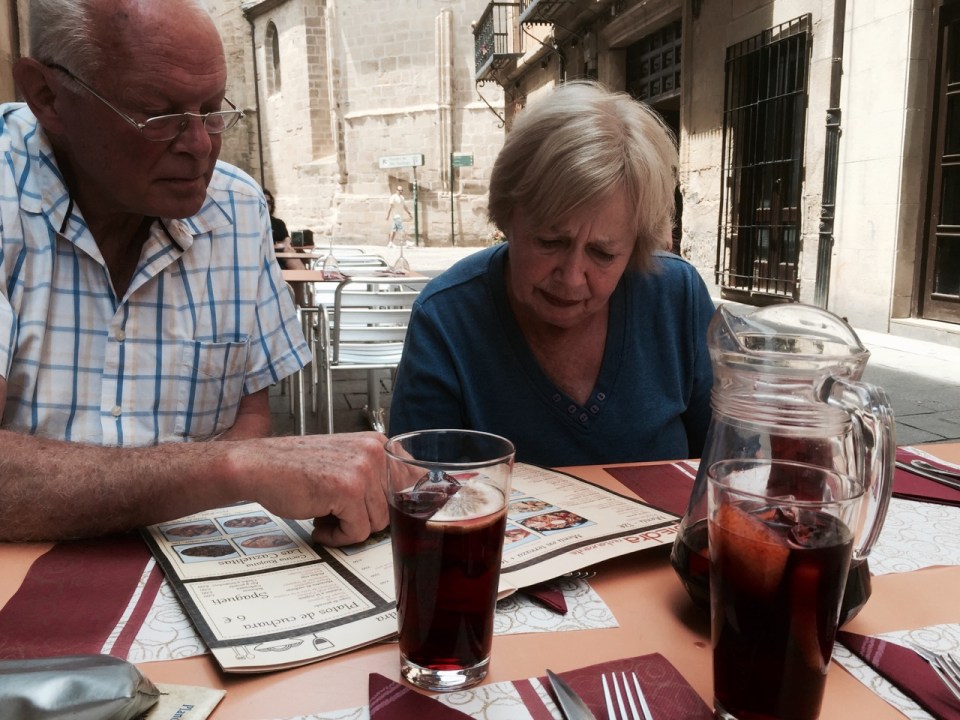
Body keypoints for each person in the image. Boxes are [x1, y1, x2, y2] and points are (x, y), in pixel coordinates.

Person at [0, 0, 388, 545]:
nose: (202, 147)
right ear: (46, 97)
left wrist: (238, 464)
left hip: (197, 569)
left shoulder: (235, 207)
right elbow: (239, 459)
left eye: (212, 110)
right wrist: (228, 469)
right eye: (161, 117)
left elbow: (249, 412)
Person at [389, 81, 715, 467]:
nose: (573, 277)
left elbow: (726, 461)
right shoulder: (446, 319)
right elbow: (418, 484)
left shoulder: (675, 297)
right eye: (549, 241)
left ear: (635, 248)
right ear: (507, 218)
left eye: (603, 253)